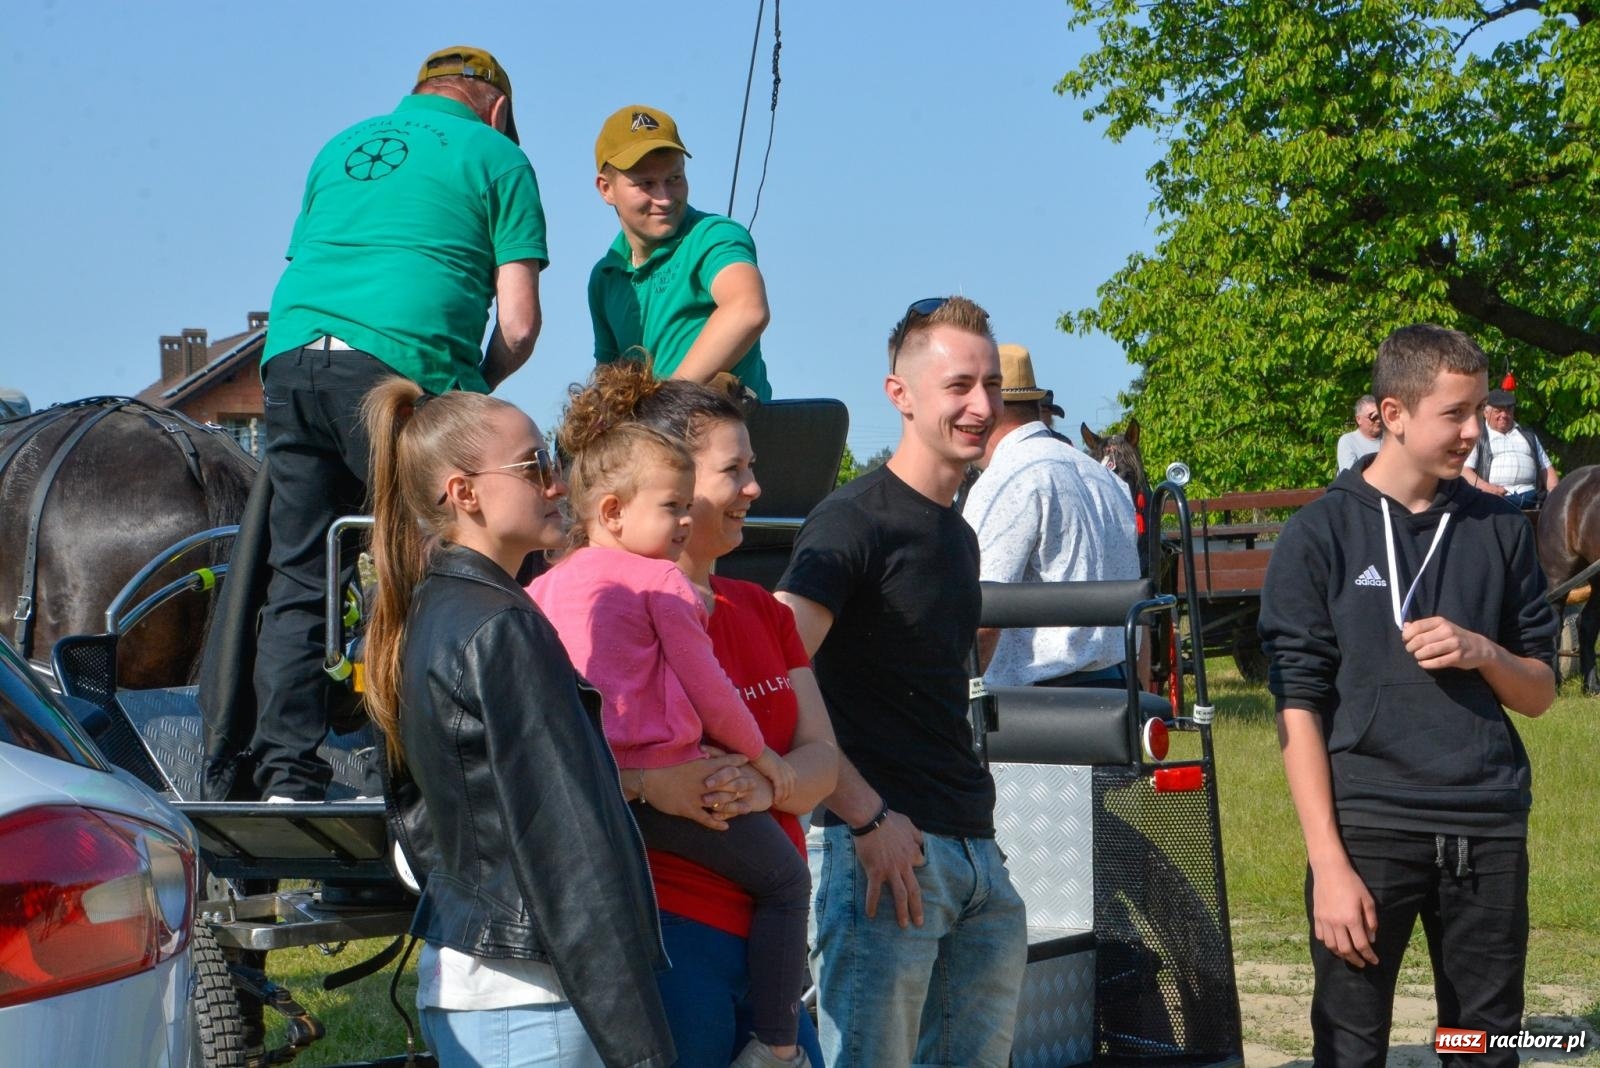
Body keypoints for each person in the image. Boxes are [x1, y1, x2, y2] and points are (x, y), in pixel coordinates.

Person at [251, 46, 548, 801]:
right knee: (438, 564)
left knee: (300, 571)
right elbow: (517, 323)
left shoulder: (341, 146)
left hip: (289, 358)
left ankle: (286, 772)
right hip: (399, 368)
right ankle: (422, 774)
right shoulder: (498, 156)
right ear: (498, 108)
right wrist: (470, 397)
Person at [1260, 324, 1558, 1067]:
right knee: (1353, 1047)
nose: (1473, 433)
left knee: (1480, 1047)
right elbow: (1297, 707)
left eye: (1479, 410)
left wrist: (1483, 650)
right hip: (1370, 833)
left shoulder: (1500, 530)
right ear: (1393, 415)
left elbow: (1541, 693)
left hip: (1487, 827)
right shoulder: (1318, 533)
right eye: (1454, 414)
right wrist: (1328, 863)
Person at [360, 381, 672, 1068]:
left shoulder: (427, 617)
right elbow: (567, 848)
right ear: (464, 494)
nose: (558, 484)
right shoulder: (499, 626)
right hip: (532, 1005)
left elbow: (417, 823)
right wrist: (642, 1048)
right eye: (535, 466)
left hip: (481, 986)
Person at [530, 364, 811, 1068]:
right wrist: (761, 763)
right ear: (617, 509)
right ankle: (778, 1045)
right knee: (787, 882)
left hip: (611, 793)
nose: (685, 520)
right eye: (677, 503)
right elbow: (710, 690)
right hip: (682, 892)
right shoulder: (660, 582)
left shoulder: (542, 588)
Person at [777, 296, 1028, 1068]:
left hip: (974, 855)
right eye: (958, 386)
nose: (980, 405)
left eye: (990, 386)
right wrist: (863, 817)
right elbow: (772, 679)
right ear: (901, 395)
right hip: (882, 856)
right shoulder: (852, 521)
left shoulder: (957, 533)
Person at [617, 378, 837, 1068]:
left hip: (772, 945)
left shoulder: (764, 610)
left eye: (752, 469)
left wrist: (765, 787)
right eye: (733, 471)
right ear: (673, 482)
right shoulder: (617, 612)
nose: (754, 490)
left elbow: (823, 760)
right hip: (673, 938)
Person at [965, 342, 1141, 687]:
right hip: (1119, 687)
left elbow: (984, 615)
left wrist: (950, 698)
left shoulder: (1008, 480)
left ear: (991, 407)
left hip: (1038, 705)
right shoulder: (1105, 478)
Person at [588, 105, 773, 400]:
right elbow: (609, 382)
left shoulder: (713, 236)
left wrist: (665, 403)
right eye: (646, 184)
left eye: (674, 179)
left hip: (734, 438)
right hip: (652, 443)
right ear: (606, 189)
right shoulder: (605, 277)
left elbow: (747, 310)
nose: (664, 198)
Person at [1463, 388, 1559, 509]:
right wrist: (1488, 488)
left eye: (1508, 411)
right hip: (1494, 500)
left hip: (1531, 499)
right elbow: (1465, 471)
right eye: (1498, 411)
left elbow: (1546, 468)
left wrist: (1555, 495)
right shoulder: (1479, 436)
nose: (1504, 415)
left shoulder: (1528, 435)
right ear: (1486, 413)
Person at [1336, 394, 1382, 472]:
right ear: (1359, 419)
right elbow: (1350, 477)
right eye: (1373, 417)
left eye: (1380, 416)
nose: (1378, 420)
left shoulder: (1390, 438)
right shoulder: (1348, 441)